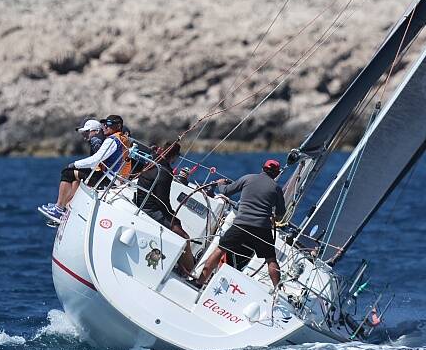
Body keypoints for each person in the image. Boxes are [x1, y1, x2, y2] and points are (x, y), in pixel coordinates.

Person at [196, 159, 287, 289]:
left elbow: (226, 191)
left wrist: (220, 184)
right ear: (277, 173)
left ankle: (199, 282)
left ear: (262, 168)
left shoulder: (247, 178)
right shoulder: (276, 188)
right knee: (271, 260)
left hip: (241, 224)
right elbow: (281, 213)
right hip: (262, 228)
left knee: (220, 250)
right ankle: (277, 291)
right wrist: (273, 214)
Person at [39, 115, 131, 221]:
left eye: (109, 124)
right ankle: (65, 207)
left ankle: (59, 209)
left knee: (67, 173)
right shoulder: (120, 138)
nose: (105, 126)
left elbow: (96, 159)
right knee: (76, 175)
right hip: (114, 179)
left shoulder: (112, 140)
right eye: (105, 124)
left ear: (118, 126)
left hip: (109, 180)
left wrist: (74, 164)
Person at [134, 142, 195, 275]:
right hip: (151, 210)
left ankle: (180, 265)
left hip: (141, 203)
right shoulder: (165, 172)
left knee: (176, 223)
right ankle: (191, 273)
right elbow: (162, 201)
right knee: (185, 238)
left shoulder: (152, 161)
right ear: (174, 156)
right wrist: (173, 217)